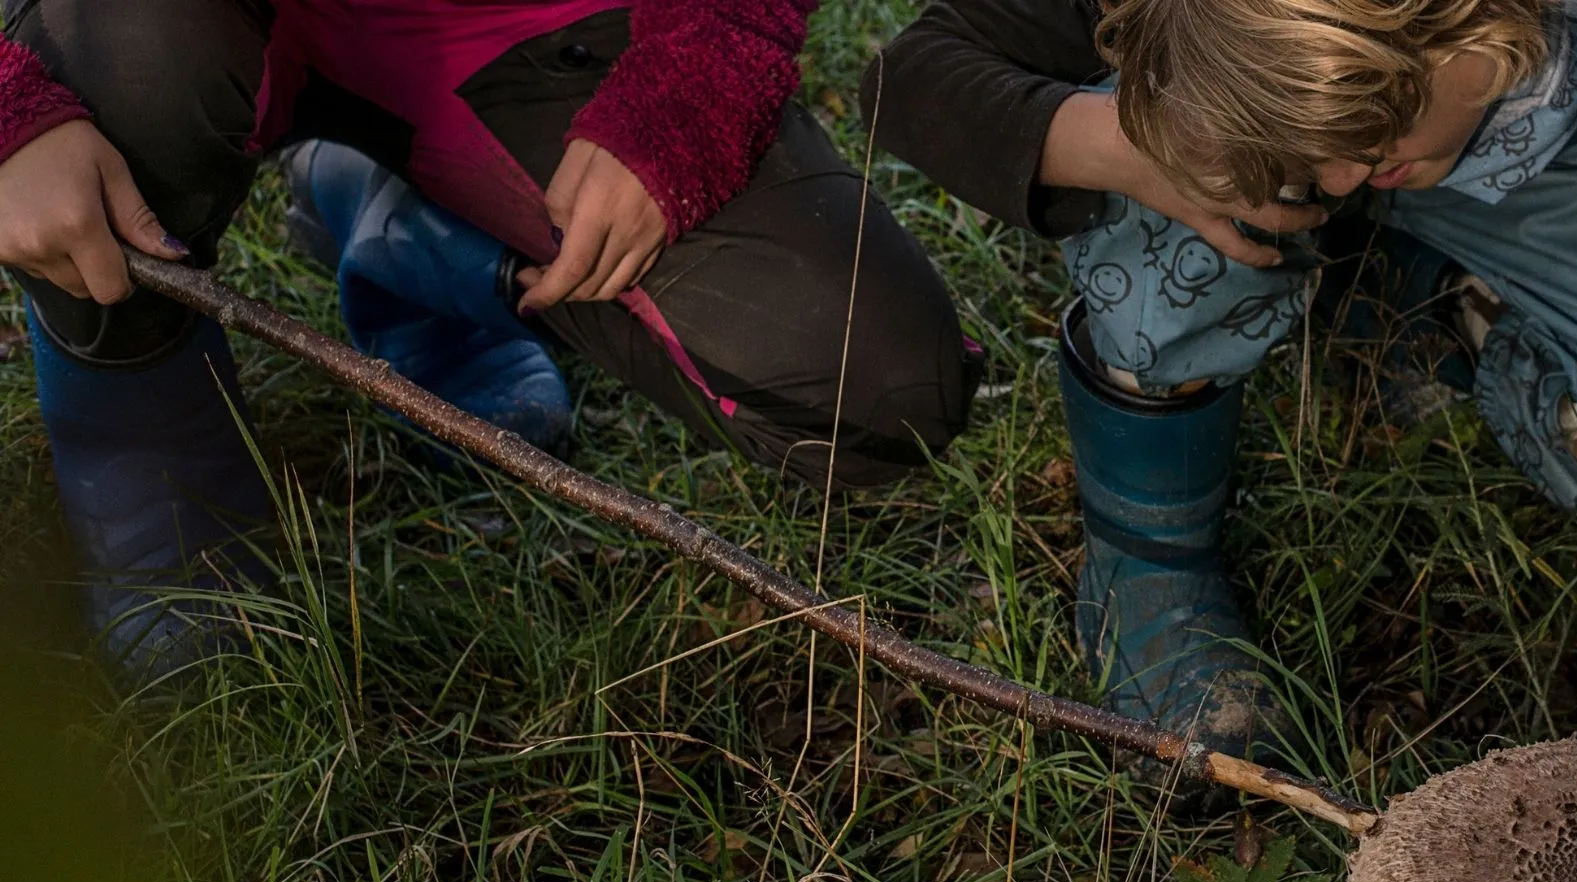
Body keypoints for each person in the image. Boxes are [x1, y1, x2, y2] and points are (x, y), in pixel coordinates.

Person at [864, 0, 1577, 799]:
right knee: (1183, 148)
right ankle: (1147, 561)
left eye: (1381, 116)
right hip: (1227, 146)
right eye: (1338, 142)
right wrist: (1141, 153)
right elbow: (909, 78)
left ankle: (1414, 293)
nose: (1344, 174)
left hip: (1546, 157)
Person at [0, 0, 984, 676]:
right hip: (150, 25)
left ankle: (416, 239)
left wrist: (692, 81)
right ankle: (146, 453)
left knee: (871, 384)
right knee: (120, 63)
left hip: (513, 24)